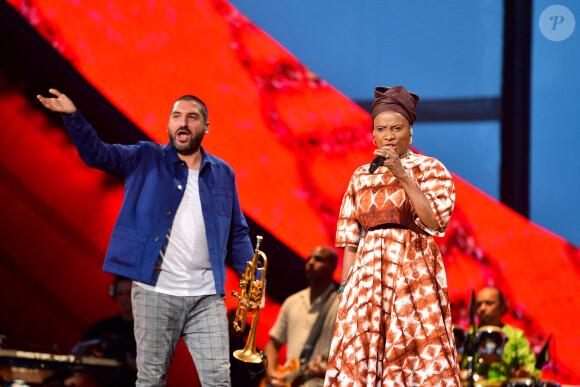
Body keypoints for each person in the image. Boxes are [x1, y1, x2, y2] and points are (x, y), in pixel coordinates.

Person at [37, 89, 255, 387]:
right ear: (168, 125)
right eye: (176, 116)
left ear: (205, 127)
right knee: (151, 379)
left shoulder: (222, 173)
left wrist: (253, 278)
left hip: (206, 295)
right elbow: (96, 154)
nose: (183, 123)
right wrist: (73, 116)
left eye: (192, 118)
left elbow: (238, 232)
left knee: (219, 380)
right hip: (155, 290)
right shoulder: (144, 156)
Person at [324, 86, 461, 386]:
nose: (388, 135)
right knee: (362, 354)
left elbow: (435, 222)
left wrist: (402, 175)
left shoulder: (430, 169)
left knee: (414, 353)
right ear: (372, 135)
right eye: (381, 129)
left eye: (396, 128)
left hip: (412, 275)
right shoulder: (361, 175)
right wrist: (347, 288)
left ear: (410, 133)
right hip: (368, 279)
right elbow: (350, 238)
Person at [264, 246, 339, 387]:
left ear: (332, 267)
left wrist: (327, 371)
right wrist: (271, 372)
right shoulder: (292, 301)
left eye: (319, 259)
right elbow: (273, 344)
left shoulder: (342, 307)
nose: (311, 262)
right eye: (309, 258)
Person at [68, 276, 137, 387]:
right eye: (120, 294)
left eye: (128, 294)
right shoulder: (103, 327)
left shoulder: (146, 331)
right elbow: (74, 355)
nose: (124, 298)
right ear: (114, 295)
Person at [470, 287, 541, 382]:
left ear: (502, 308)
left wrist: (526, 374)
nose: (482, 308)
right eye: (478, 305)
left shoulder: (515, 336)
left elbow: (532, 367)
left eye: (489, 303)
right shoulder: (470, 335)